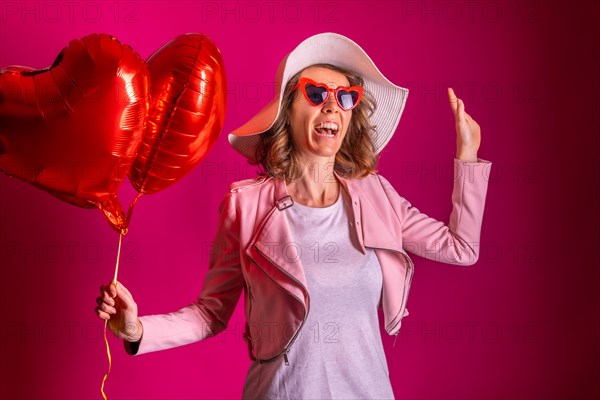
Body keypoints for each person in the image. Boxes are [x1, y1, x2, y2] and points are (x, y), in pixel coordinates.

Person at [95, 32, 492, 399]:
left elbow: (461, 248)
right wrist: (136, 329)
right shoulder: (246, 207)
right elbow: (211, 314)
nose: (333, 104)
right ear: (287, 110)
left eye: (346, 96)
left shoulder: (378, 195)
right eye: (316, 93)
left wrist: (468, 157)